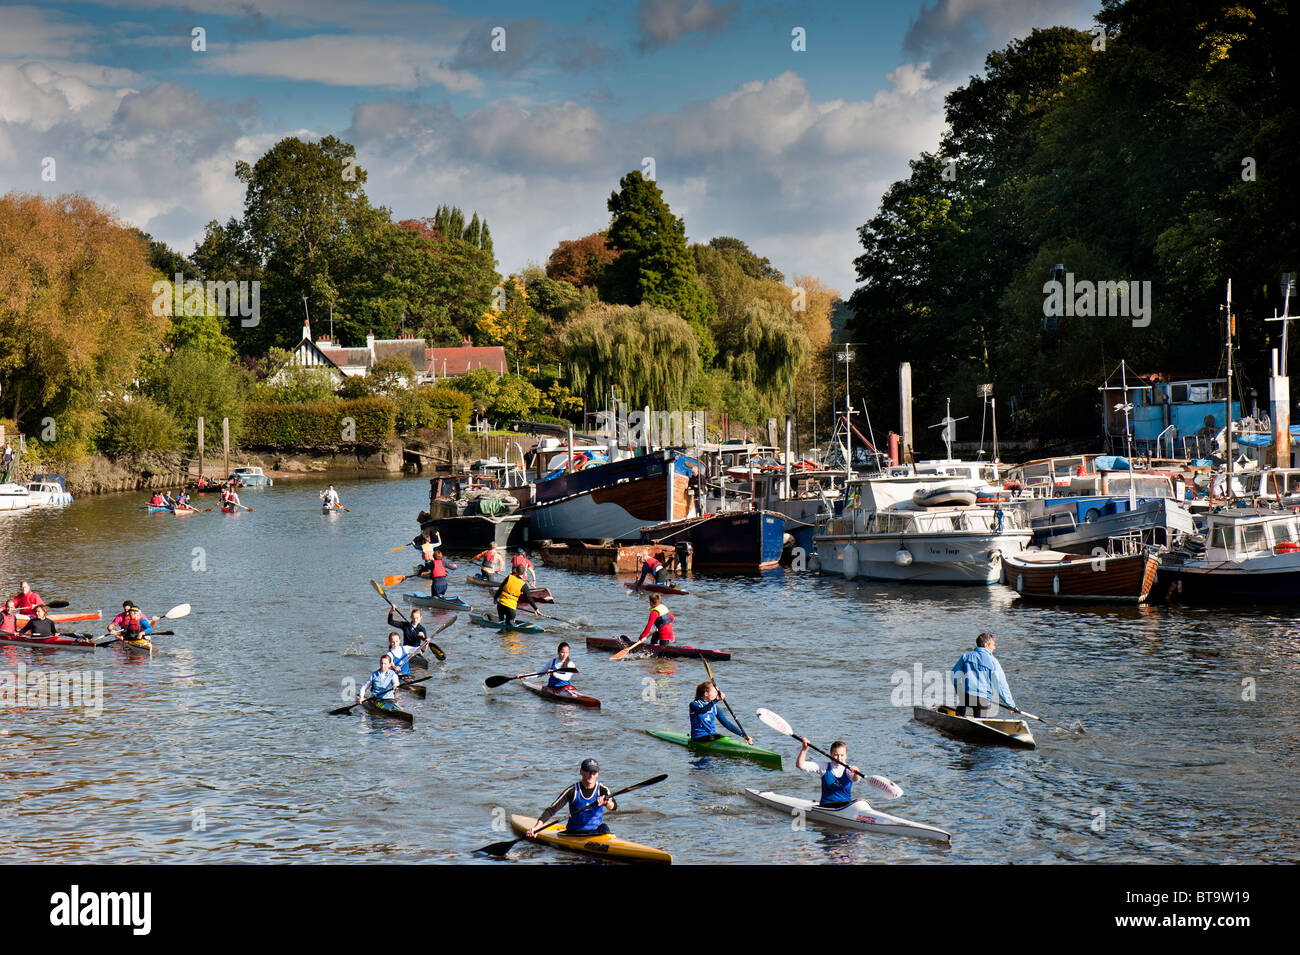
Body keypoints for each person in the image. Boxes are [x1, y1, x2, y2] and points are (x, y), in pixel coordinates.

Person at [526, 759, 617, 838]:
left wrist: (606, 802)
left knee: (605, 827)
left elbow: (613, 807)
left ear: (598, 774)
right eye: (588, 771)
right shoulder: (572, 791)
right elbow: (551, 810)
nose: (591, 775)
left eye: (594, 772)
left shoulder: (603, 790)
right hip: (575, 833)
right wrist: (536, 828)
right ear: (581, 771)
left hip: (596, 832)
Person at [950, 631, 1015, 717]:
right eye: (993, 645)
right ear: (986, 645)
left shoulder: (966, 656)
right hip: (981, 699)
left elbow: (954, 676)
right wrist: (1011, 705)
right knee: (980, 723)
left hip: (966, 696)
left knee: (960, 713)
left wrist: (959, 691)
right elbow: (1001, 685)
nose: (994, 648)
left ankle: (957, 720)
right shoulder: (993, 661)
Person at [796, 738, 864, 809]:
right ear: (830, 755)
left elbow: (856, 779)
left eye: (842, 755)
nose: (839, 758)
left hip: (845, 807)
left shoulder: (849, 769)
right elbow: (800, 765)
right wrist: (804, 749)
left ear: (846, 756)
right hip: (827, 806)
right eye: (836, 755)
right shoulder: (824, 767)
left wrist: (856, 772)